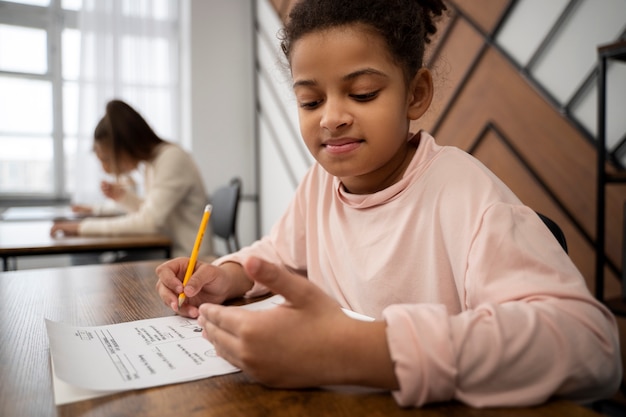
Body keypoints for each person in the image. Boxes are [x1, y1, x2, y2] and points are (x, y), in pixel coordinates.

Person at [155, 0, 621, 408]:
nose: (333, 118)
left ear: (415, 94)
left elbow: (591, 345)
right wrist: (226, 276)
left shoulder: (465, 196)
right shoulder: (320, 184)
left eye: (362, 94)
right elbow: (279, 253)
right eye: (311, 101)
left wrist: (353, 351)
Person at [51, 99, 213, 259]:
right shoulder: (153, 163)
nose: (107, 168)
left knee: (96, 263)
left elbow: (148, 222)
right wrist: (123, 198)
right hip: (170, 254)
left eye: (108, 158)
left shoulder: (171, 159)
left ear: (127, 145)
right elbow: (149, 212)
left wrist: (82, 227)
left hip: (189, 261)